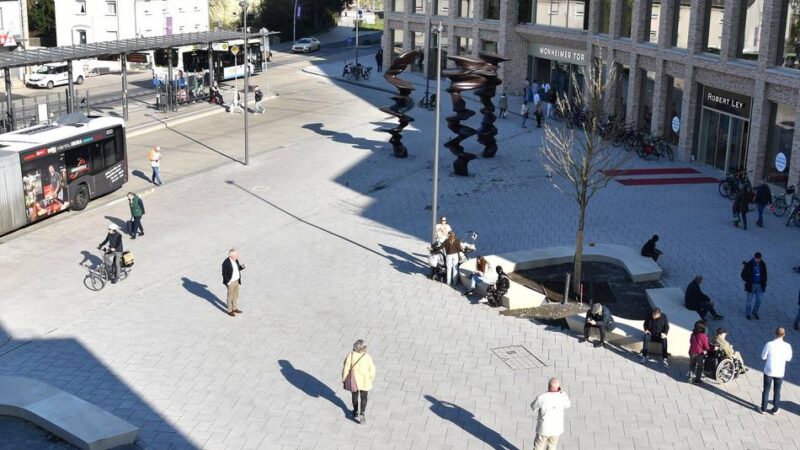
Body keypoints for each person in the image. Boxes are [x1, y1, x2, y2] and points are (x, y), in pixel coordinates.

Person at [530, 377, 571, 450]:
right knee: (552, 446)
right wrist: (562, 392)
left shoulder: (541, 397)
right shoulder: (562, 396)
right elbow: (568, 404)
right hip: (556, 429)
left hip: (543, 429)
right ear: (558, 388)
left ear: (548, 386)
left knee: (538, 446)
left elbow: (533, 407)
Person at [342, 339, 376, 424]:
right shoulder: (367, 356)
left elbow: (346, 367)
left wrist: (344, 378)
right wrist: (370, 378)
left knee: (354, 396)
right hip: (365, 380)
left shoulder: (351, 355)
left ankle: (355, 411)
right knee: (364, 397)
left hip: (354, 380)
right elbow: (372, 370)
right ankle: (362, 413)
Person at [761, 327, 792, 414]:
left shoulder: (769, 344)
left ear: (775, 333)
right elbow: (788, 358)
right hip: (779, 372)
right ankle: (775, 409)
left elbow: (763, 357)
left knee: (766, 390)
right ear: (784, 335)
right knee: (777, 391)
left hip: (769, 371)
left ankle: (763, 408)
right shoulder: (787, 346)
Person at [741, 252, 767, 320]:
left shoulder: (762, 264)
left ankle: (755, 312)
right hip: (751, 285)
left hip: (760, 285)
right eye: (757, 259)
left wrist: (764, 279)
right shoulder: (749, 264)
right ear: (754, 257)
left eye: (759, 259)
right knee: (749, 301)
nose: (758, 260)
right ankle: (748, 314)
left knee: (759, 300)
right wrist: (748, 280)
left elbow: (765, 273)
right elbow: (743, 275)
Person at [221, 249, 245, 317]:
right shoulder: (226, 263)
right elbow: (224, 274)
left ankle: (234, 308)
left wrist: (242, 267)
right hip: (230, 282)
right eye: (235, 255)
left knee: (235, 295)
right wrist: (227, 282)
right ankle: (229, 310)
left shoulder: (236, 260)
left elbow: (237, 269)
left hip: (236, 281)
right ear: (231, 256)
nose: (237, 257)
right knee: (230, 296)